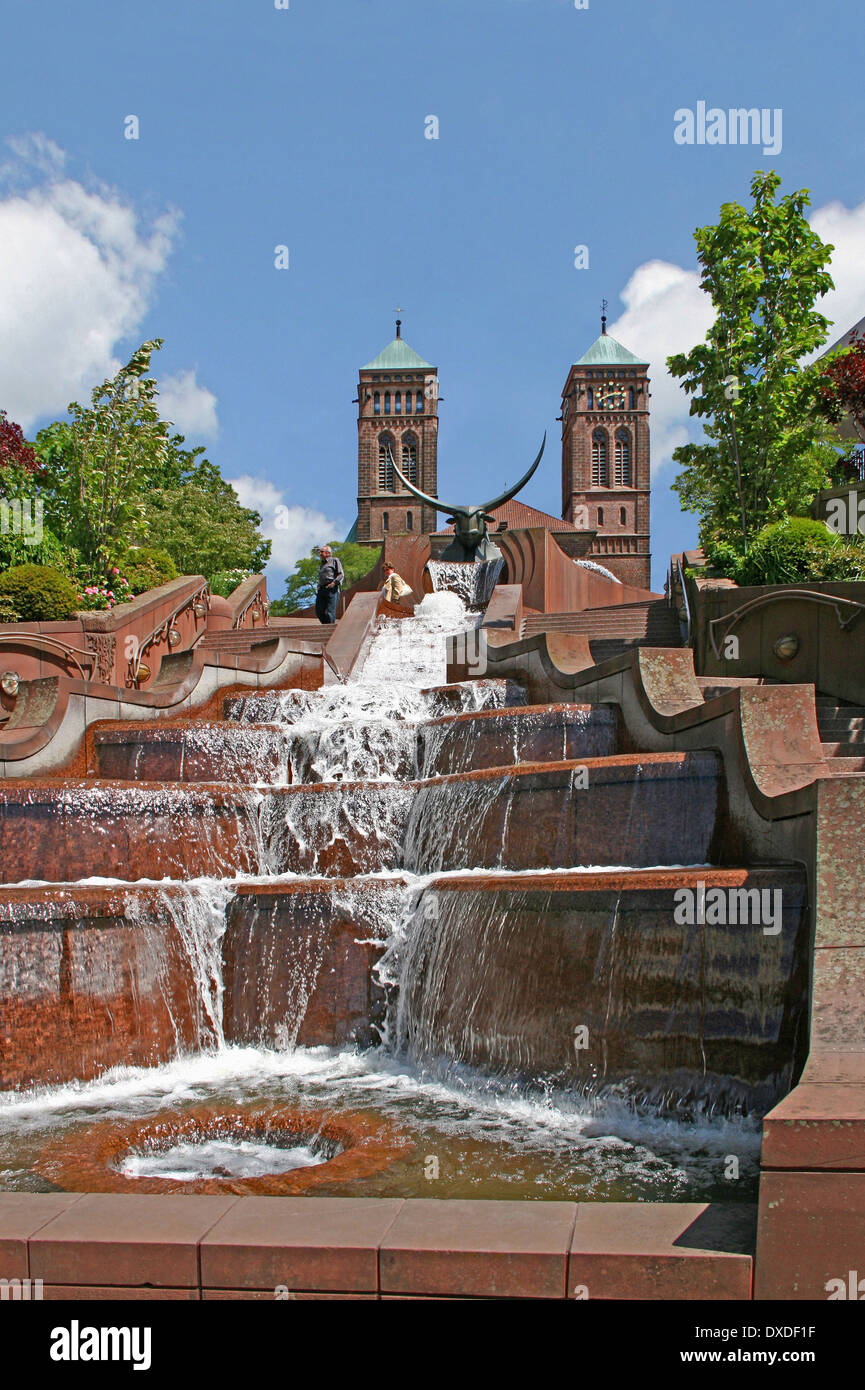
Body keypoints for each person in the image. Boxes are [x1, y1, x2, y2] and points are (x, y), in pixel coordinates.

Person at [315, 545, 344, 624]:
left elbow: (341, 574)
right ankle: (326, 626)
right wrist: (319, 585)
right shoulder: (322, 564)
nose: (320, 554)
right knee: (319, 611)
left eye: (322, 552)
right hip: (322, 589)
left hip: (332, 589)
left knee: (330, 612)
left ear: (328, 553)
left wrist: (334, 583)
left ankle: (330, 627)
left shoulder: (334, 560)